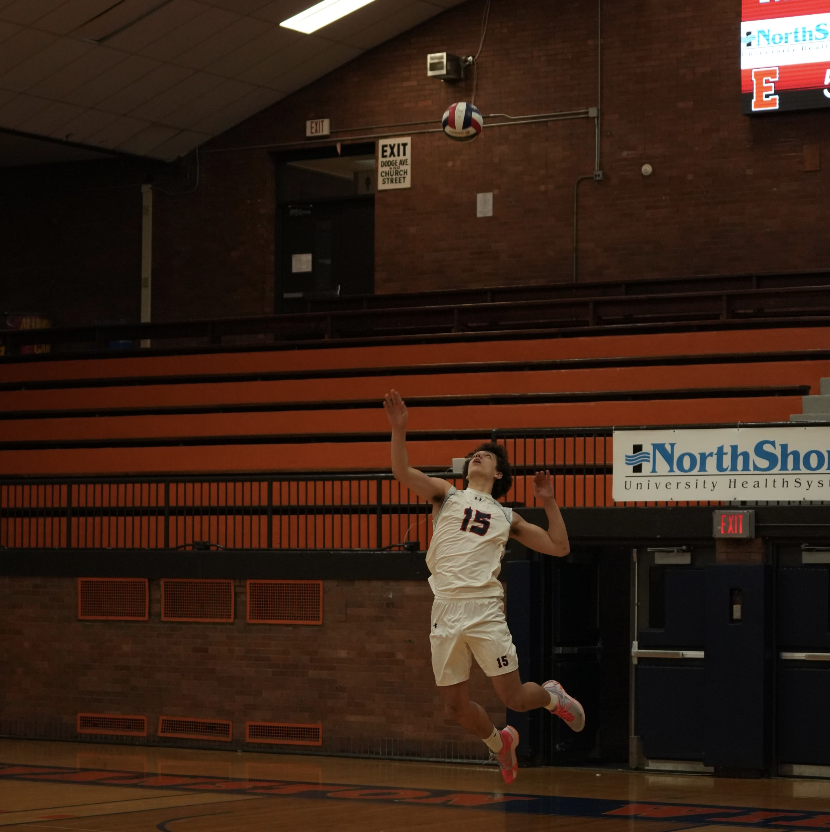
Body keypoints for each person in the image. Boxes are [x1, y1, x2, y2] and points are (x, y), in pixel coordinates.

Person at [383, 389, 585, 784]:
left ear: (498, 475)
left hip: (483, 608)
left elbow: (559, 547)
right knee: (455, 706)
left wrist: (548, 502)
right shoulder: (446, 494)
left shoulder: (507, 516)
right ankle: (500, 743)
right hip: (444, 608)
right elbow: (402, 473)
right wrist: (399, 429)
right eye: (476, 453)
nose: (479, 455)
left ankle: (551, 696)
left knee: (514, 698)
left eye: (488, 456)